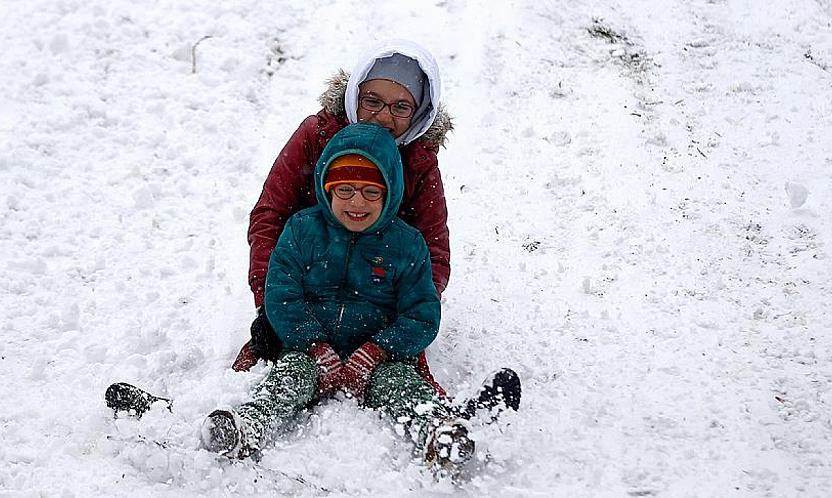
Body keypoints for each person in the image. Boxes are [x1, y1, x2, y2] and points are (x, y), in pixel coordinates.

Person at [201, 123, 474, 474]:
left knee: (402, 385)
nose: (357, 202)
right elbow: (281, 296)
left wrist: (378, 350)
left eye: (371, 192)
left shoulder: (407, 245)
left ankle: (438, 432)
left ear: (390, 192)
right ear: (326, 188)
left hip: (378, 357)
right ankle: (248, 427)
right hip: (309, 351)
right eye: (345, 189)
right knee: (289, 377)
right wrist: (312, 344)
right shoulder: (302, 230)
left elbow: (421, 313)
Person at [233, 39, 452, 397]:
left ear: (419, 113)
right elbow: (270, 215)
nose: (384, 117)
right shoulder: (318, 136)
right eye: (372, 101)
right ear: (355, 96)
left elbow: (433, 249)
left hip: (378, 295)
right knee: (276, 372)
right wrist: (269, 302)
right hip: (311, 284)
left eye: (401, 107)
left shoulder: (418, 159)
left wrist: (406, 321)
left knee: (400, 382)